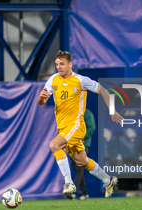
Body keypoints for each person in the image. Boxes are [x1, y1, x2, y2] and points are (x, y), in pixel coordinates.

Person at [37, 50, 123, 198]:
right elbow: (41, 102)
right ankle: (108, 180)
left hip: (76, 126)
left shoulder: (81, 80)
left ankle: (69, 183)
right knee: (82, 161)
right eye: (57, 64)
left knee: (54, 145)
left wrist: (112, 110)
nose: (59, 67)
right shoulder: (52, 80)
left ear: (70, 64)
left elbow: (103, 90)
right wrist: (41, 97)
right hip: (63, 127)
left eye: (62, 64)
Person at [67, 109, 96, 200]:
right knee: (77, 168)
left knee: (79, 167)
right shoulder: (72, 113)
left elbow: (92, 127)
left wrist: (81, 137)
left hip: (82, 144)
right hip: (72, 144)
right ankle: (83, 192)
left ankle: (73, 192)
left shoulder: (87, 113)